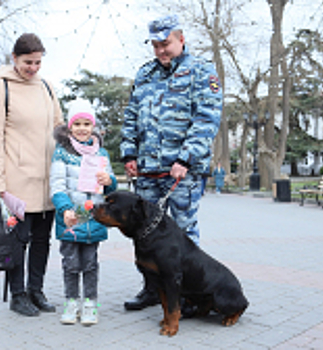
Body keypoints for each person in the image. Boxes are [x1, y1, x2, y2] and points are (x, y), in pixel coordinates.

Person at [120, 14, 222, 311]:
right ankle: (153, 289)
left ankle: (190, 295)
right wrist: (129, 154)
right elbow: (130, 116)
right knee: (145, 234)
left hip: (181, 172)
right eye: (155, 45)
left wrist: (185, 159)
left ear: (181, 39)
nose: (161, 50)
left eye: (165, 44)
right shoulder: (145, 74)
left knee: (182, 235)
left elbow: (206, 120)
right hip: (148, 172)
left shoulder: (201, 72)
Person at [0, 33, 63, 316]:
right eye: (28, 62)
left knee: (43, 240)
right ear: (14, 58)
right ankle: (18, 294)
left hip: (48, 178)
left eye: (38, 62)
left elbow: (59, 127)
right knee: (19, 239)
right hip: (18, 179)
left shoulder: (47, 87)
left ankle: (36, 291)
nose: (33, 68)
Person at [50, 99, 118, 326]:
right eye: (77, 123)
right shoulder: (61, 153)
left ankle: (91, 304)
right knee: (70, 264)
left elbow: (110, 189)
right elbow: (57, 186)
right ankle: (71, 302)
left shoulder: (102, 154)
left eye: (86, 124)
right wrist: (65, 209)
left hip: (94, 218)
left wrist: (110, 181)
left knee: (90, 264)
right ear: (70, 127)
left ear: (93, 127)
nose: (82, 128)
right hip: (70, 218)